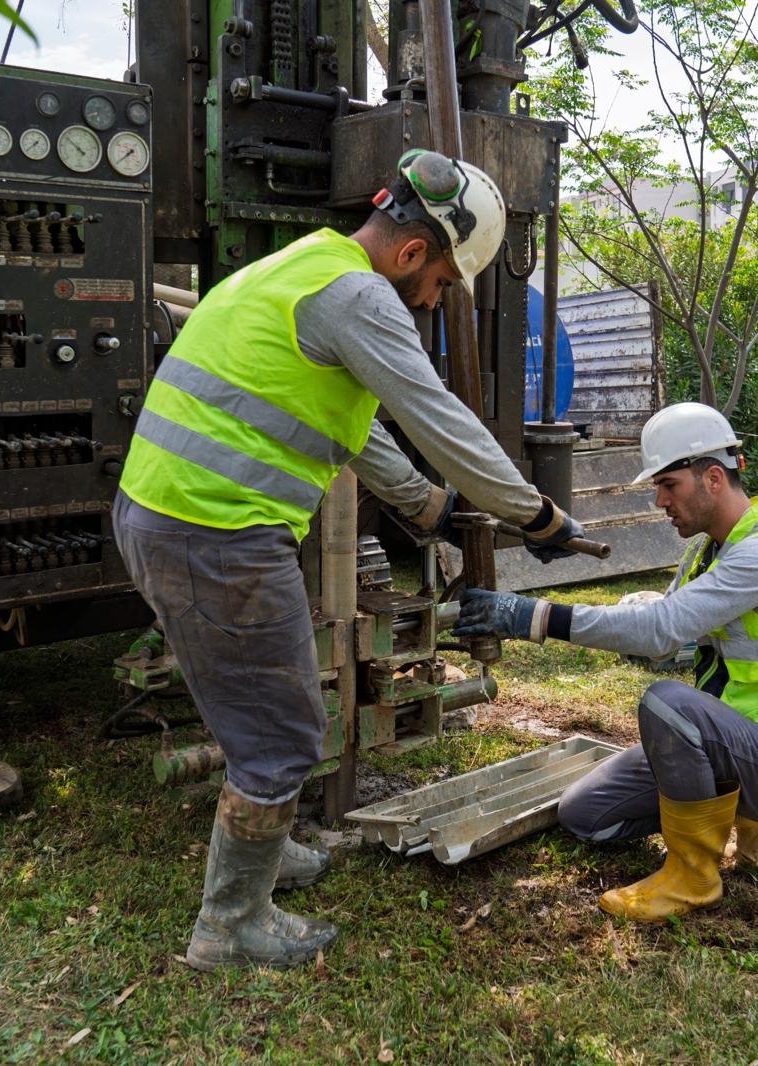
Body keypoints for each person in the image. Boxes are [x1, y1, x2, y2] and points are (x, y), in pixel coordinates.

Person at [113, 149, 581, 971]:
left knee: (264, 704)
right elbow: (442, 421)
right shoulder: (362, 297)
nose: (435, 300)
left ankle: (265, 848)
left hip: (179, 520)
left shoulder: (304, 268)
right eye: (439, 284)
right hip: (214, 532)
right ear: (410, 254)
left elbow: (350, 430)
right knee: (285, 729)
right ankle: (230, 926)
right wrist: (536, 515)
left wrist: (429, 507)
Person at [454, 402, 758, 922]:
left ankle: (694, 874)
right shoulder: (710, 551)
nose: (659, 500)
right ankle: (730, 812)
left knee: (667, 705)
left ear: (714, 478)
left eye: (669, 485)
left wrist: (535, 616)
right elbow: (663, 625)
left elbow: (660, 633)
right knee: (584, 816)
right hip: (731, 745)